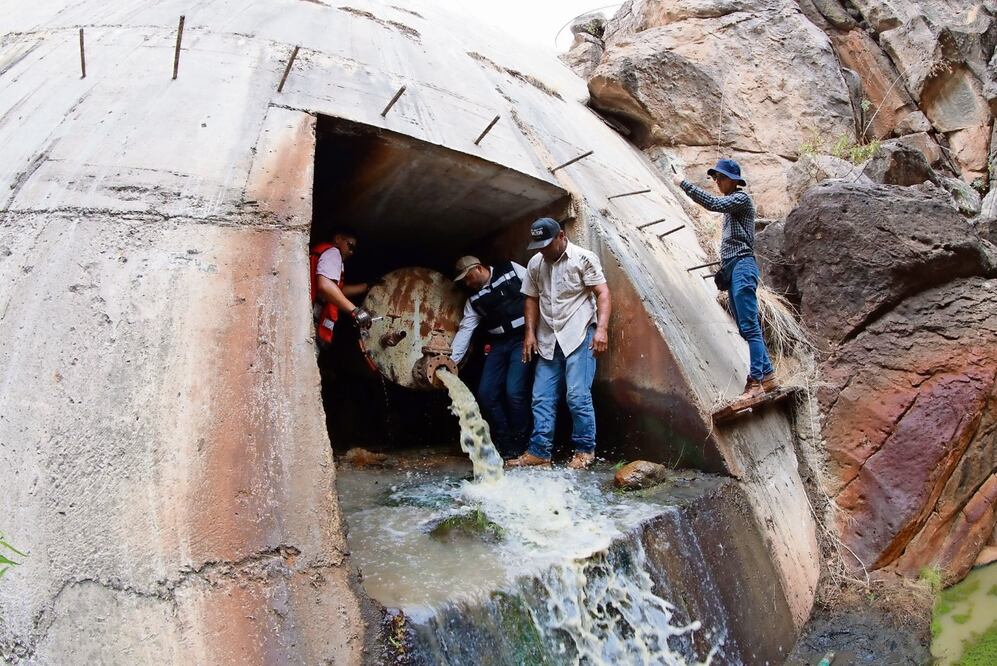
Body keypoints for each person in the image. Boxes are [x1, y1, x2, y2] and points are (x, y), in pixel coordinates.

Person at [507, 218, 611, 470]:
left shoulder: (583, 258)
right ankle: (539, 452)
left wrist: (602, 330)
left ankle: (585, 450)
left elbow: (603, 293)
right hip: (548, 339)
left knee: (577, 395)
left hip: (579, 334)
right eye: (538, 246)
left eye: (546, 244)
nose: (542, 250)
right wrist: (529, 334)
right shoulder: (535, 263)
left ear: (561, 236)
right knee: (541, 397)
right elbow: (531, 299)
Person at [672, 158, 777, 401]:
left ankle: (756, 382)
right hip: (734, 270)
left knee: (750, 326)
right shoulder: (733, 205)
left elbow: (712, 203)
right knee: (745, 327)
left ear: (733, 180)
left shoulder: (740, 199)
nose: (717, 181)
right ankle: (768, 376)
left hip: (742, 266)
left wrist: (683, 183)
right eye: (715, 178)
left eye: (720, 177)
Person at [450, 256, 531, 458]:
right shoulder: (473, 300)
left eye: (468, 277)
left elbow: (536, 290)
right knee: (486, 393)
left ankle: (521, 441)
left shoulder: (511, 269)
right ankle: (504, 440)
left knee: (514, 391)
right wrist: (451, 362)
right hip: (498, 343)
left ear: (478, 268)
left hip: (522, 339)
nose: (467, 283)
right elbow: (466, 330)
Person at [310, 228, 374, 346]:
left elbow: (337, 291)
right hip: (310, 321)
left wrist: (366, 286)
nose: (351, 252)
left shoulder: (322, 252)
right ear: (338, 238)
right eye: (350, 246)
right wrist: (355, 311)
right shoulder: (333, 252)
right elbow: (326, 286)